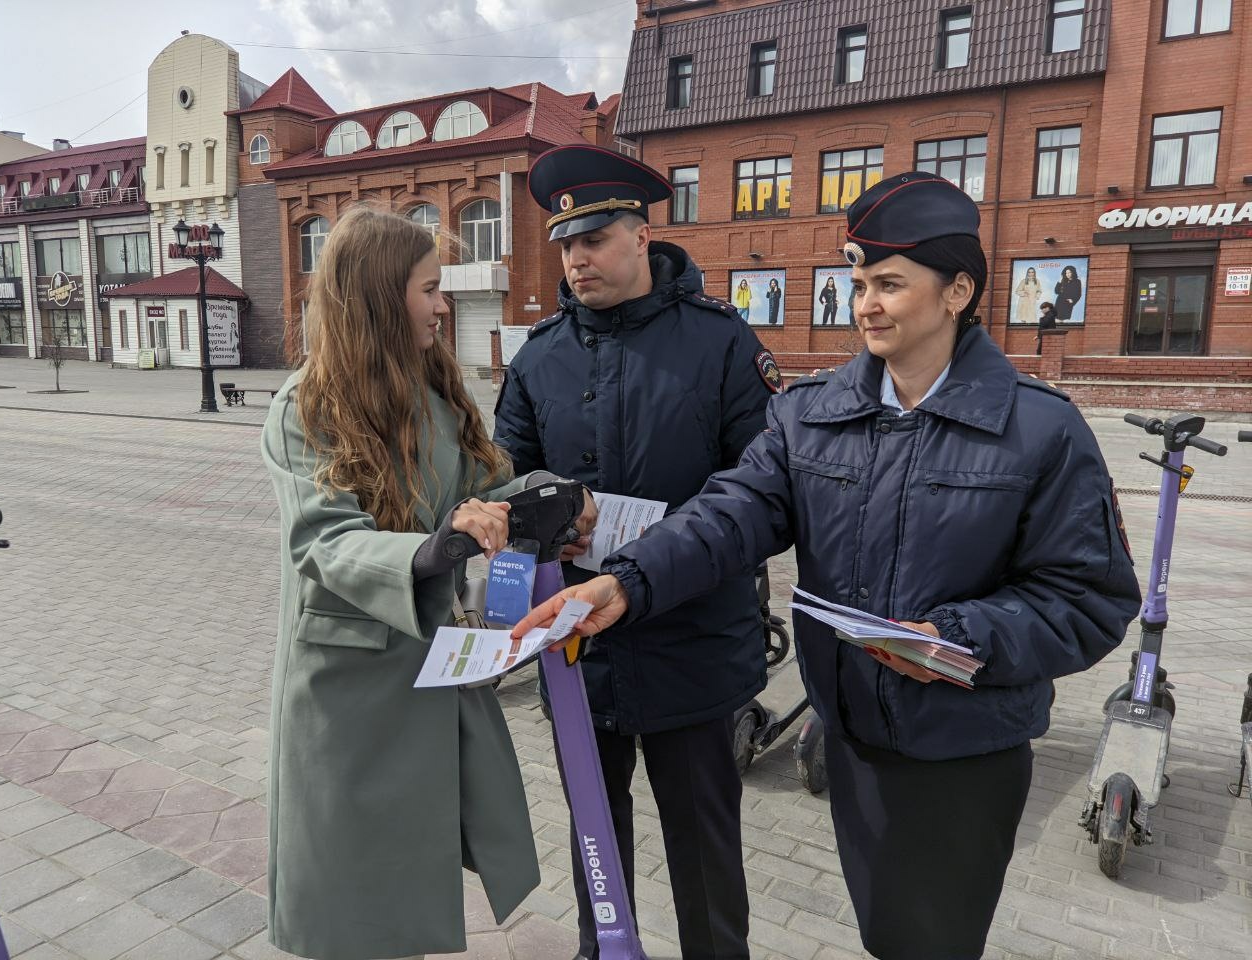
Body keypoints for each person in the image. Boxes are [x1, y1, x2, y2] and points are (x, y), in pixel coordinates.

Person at [515, 171, 1141, 960]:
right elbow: (729, 514)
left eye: (889, 284)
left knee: (933, 940)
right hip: (852, 736)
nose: (866, 303)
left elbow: (1088, 597)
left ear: (956, 292)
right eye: (858, 283)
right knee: (886, 931)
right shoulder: (812, 415)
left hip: (963, 740)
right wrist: (630, 583)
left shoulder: (1039, 429)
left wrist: (955, 636)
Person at [494, 143, 781, 960]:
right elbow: (504, 480)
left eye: (594, 238)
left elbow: (764, 497)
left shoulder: (721, 344)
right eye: (564, 245)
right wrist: (535, 520)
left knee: (704, 858)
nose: (576, 259)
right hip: (580, 653)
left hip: (695, 647)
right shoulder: (540, 355)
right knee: (595, 850)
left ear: (643, 234)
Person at [261, 206, 553, 960]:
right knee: (348, 907)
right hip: (345, 697)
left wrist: (558, 498)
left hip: (427, 681)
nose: (443, 304)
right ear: (380, 295)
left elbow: (498, 485)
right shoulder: (304, 408)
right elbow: (324, 542)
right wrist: (430, 551)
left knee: (403, 898)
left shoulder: (436, 401)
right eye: (429, 287)